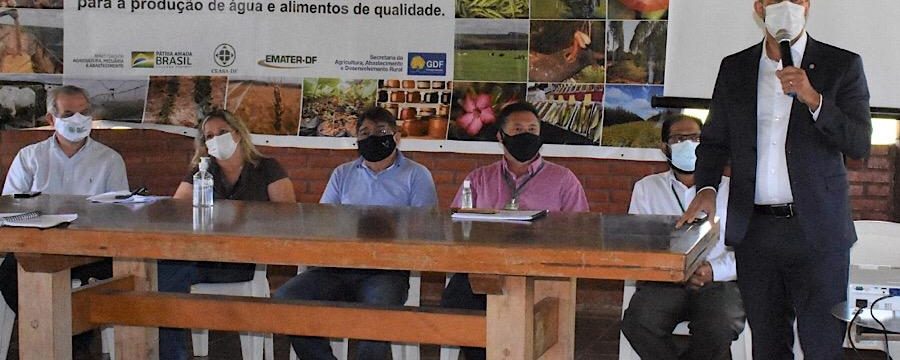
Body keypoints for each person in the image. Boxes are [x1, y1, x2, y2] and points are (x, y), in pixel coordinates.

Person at [677, 1, 872, 358]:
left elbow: (859, 143)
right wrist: (705, 188)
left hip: (818, 231)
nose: (785, 5)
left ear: (807, 6)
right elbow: (715, 140)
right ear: (759, 7)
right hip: (756, 232)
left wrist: (815, 99)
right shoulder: (735, 68)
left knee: (822, 344)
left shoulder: (841, 64)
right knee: (767, 343)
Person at [274, 107, 437, 360]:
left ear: (396, 137)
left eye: (381, 131)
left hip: (386, 271)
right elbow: (325, 221)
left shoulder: (416, 175)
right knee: (287, 298)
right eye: (365, 132)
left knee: (376, 316)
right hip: (337, 267)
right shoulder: (343, 173)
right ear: (357, 139)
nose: (373, 137)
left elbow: (425, 228)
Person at [440, 102, 589, 360]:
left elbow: (581, 231)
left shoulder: (564, 179)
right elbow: (455, 226)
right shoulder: (478, 179)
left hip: (541, 272)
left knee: (529, 316)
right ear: (501, 136)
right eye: (518, 129)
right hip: (484, 268)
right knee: (457, 303)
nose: (526, 135)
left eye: (532, 129)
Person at [0, 85, 129, 357]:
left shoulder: (109, 160)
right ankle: (46, 335)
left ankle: (69, 344)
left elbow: (120, 214)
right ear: (51, 119)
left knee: (99, 283)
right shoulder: (29, 158)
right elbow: (8, 207)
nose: (78, 120)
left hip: (91, 249)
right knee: (10, 274)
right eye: (69, 114)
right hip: (37, 246)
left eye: (84, 113)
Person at [157, 109, 295, 359]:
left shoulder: (267, 168)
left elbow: (288, 216)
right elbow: (175, 211)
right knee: (163, 272)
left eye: (222, 132)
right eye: (209, 136)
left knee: (169, 274)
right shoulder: (202, 171)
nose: (216, 139)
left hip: (244, 260)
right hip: (202, 257)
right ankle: (173, 354)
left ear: (238, 134)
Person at [622, 115, 745, 360]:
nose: (688, 144)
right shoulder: (647, 188)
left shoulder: (733, 190)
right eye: (678, 139)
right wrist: (675, 271)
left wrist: (712, 270)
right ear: (664, 147)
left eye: (695, 138)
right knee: (637, 323)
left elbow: (749, 249)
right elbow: (638, 244)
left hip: (719, 282)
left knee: (717, 328)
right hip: (664, 283)